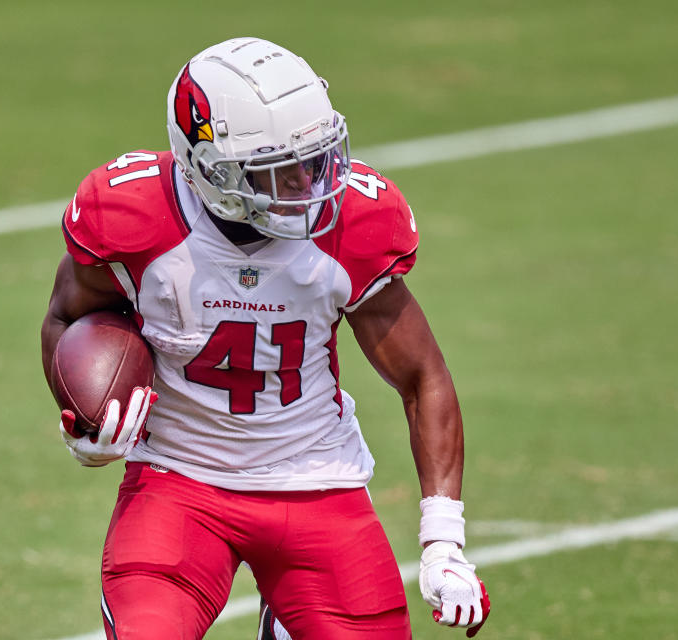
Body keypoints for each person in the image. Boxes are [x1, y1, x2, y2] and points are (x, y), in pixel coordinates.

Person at [41, 37, 490, 639]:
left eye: (315, 156)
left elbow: (422, 377)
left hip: (315, 483)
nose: (309, 182)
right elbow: (66, 319)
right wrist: (85, 421)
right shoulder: (134, 215)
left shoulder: (351, 224)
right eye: (277, 168)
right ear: (210, 170)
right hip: (178, 482)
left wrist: (444, 540)